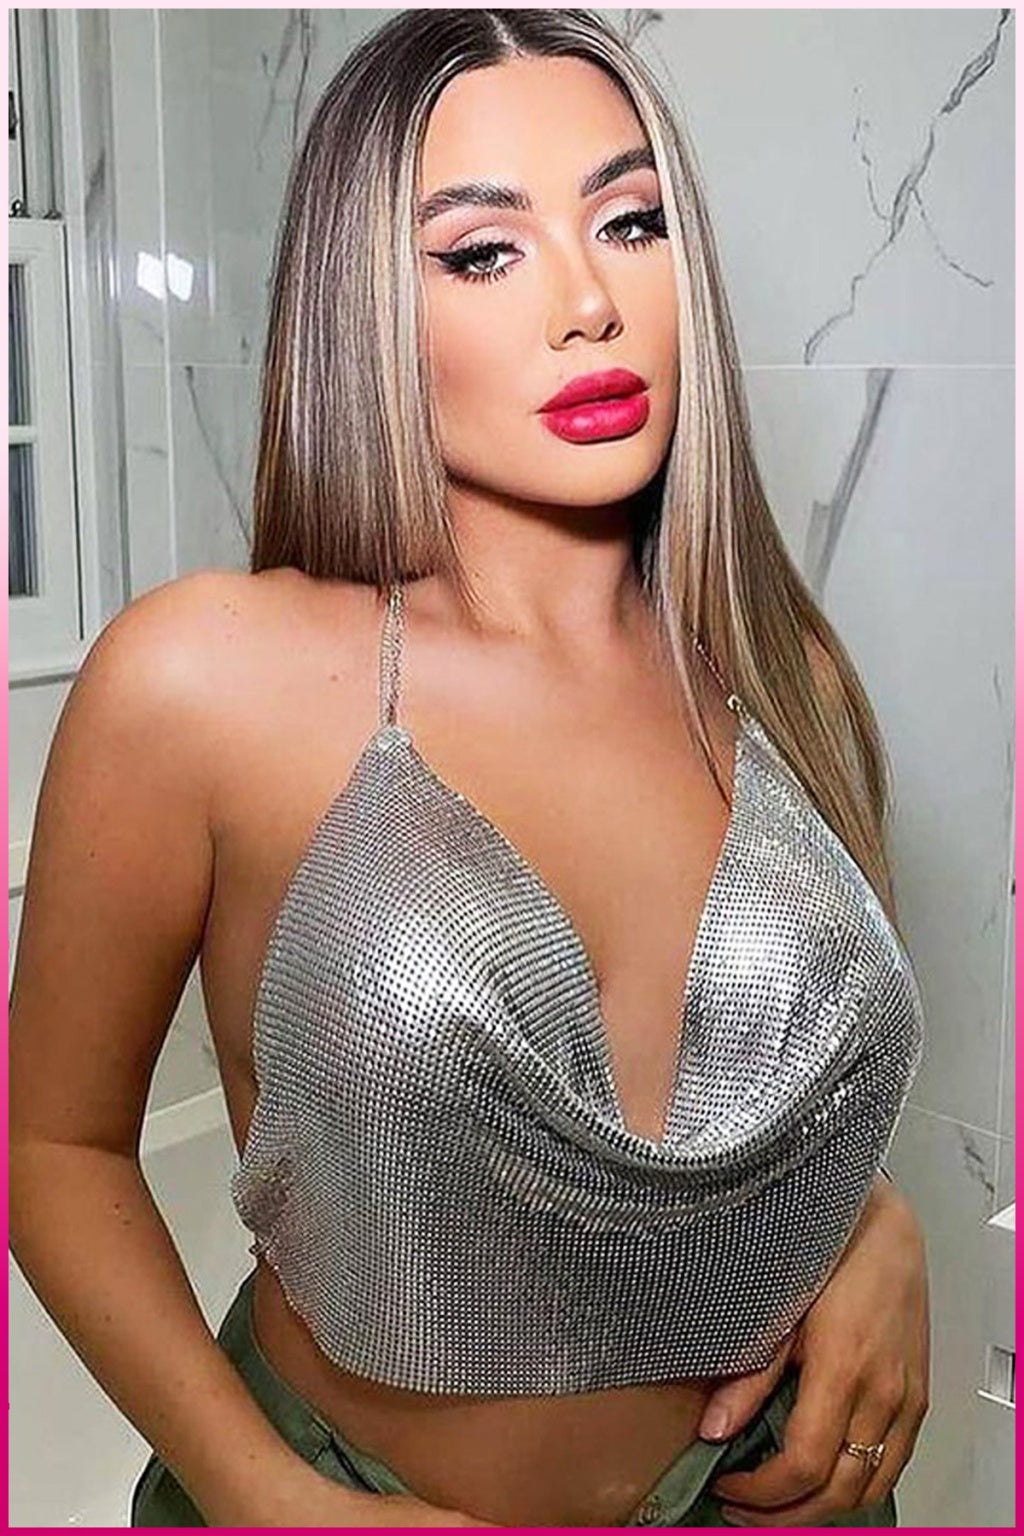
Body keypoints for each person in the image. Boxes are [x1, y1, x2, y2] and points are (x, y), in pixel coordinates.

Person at [8, 9, 930, 1529]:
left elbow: (741, 1114)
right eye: (484, 252)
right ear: (365, 305)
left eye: (630, 224)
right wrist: (260, 1493)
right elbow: (54, 1146)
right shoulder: (207, 681)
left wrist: (873, 1230)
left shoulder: (788, 680)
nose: (590, 303)